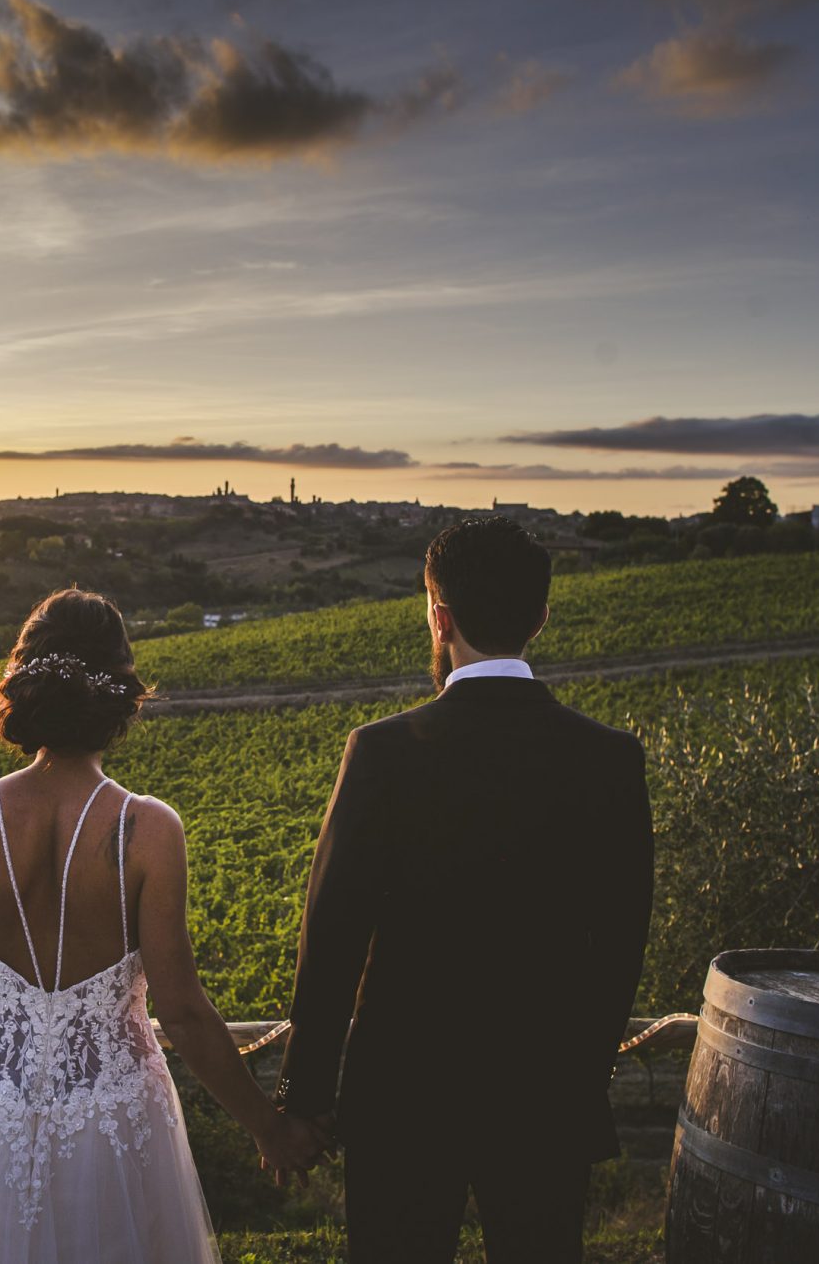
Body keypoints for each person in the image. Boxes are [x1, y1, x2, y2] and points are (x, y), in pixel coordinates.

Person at [0, 587, 323, 1264]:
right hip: (112, 1114)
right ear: (119, 693)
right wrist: (267, 1125)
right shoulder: (150, 829)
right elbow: (183, 1011)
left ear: (21, 681)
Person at [275, 516, 655, 1264]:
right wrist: (581, 1078)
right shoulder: (610, 760)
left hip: (402, 1101)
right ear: (541, 617)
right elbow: (620, 947)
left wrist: (306, 1100)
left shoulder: (381, 753)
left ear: (439, 618)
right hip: (548, 1100)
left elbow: (332, 936)